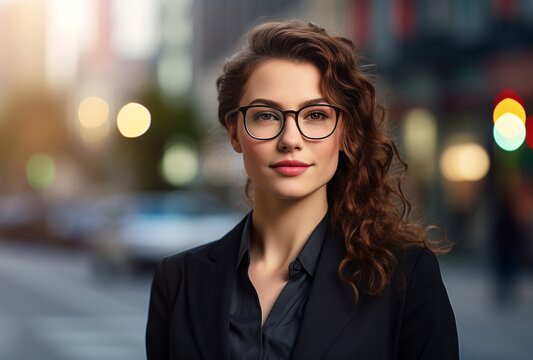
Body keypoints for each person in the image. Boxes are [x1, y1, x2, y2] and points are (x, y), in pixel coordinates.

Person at [146, 20, 458, 360]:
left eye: (316, 115)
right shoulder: (178, 281)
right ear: (235, 133)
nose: (291, 140)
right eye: (266, 115)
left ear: (344, 132)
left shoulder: (404, 277)